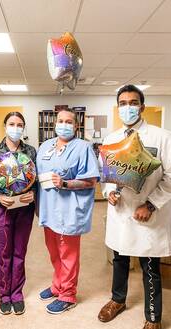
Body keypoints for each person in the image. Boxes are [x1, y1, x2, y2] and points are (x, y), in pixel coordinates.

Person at [98, 85, 171, 329]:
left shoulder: (161, 137)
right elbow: (106, 176)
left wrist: (150, 205)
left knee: (149, 266)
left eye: (133, 102)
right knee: (119, 258)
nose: (127, 107)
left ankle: (153, 317)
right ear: (118, 108)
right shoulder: (111, 139)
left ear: (142, 106)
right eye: (123, 103)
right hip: (121, 213)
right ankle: (117, 300)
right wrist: (109, 194)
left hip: (146, 214)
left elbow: (170, 177)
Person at [36, 108, 100, 314]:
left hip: (69, 210)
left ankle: (68, 294)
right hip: (48, 209)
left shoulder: (83, 148)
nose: (63, 124)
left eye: (68, 121)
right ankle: (58, 285)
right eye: (60, 120)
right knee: (54, 252)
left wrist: (65, 183)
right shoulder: (46, 146)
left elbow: (91, 181)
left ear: (76, 126)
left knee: (68, 255)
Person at [0, 112, 36, 316]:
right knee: (3, 253)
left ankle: (17, 294)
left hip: (24, 209)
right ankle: (4, 295)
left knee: (19, 253)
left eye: (20, 124)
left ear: (24, 127)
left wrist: (33, 193)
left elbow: (35, 179)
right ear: (5, 126)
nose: (16, 127)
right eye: (12, 124)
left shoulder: (30, 151)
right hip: (1, 208)